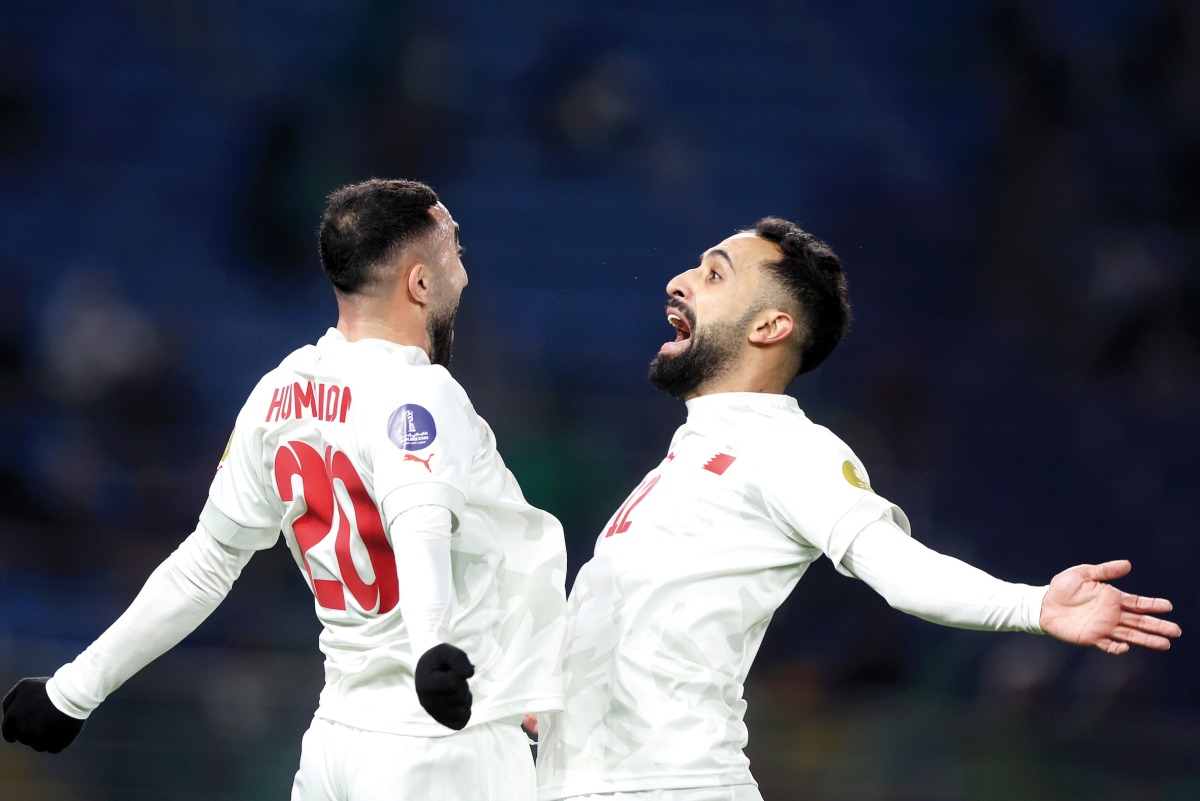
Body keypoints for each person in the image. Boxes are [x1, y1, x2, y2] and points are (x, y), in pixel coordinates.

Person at [532, 217, 1182, 801]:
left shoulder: (788, 446)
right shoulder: (683, 460)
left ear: (769, 326)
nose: (678, 281)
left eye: (712, 273)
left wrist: (1033, 605)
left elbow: (900, 569)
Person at [2, 178, 568, 801]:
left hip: (335, 744)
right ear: (419, 283)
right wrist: (434, 652)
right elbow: (419, 521)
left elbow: (203, 566)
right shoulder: (420, 392)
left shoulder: (279, 393)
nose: (465, 273)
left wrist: (71, 692)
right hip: (441, 740)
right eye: (455, 252)